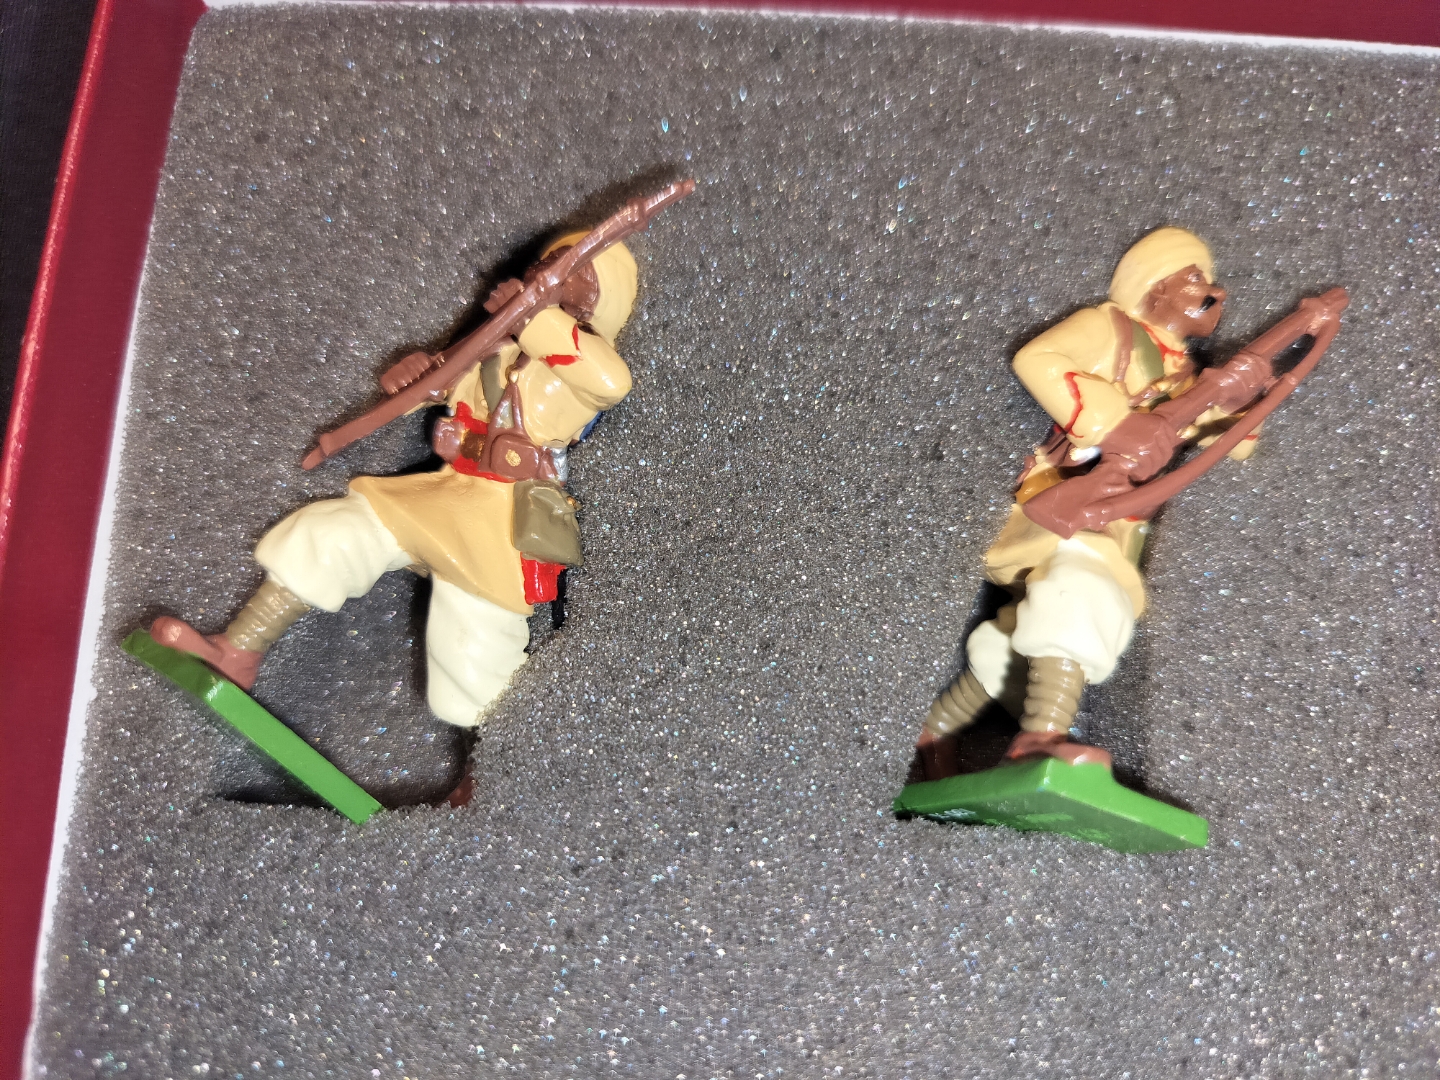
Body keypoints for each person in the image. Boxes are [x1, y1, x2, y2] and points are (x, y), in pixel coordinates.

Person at [152, 233, 636, 740]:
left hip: (499, 520)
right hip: (445, 491)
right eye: (553, 261)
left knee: (473, 655)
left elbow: (612, 383)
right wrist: (416, 380)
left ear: (600, 298)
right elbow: (444, 387)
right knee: (336, 533)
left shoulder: (581, 360)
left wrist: (531, 315)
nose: (552, 271)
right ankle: (238, 649)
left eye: (574, 270)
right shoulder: (499, 342)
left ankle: (498, 761)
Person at [916, 226, 1255, 776]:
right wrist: (1115, 422)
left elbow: (1235, 443)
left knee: (1043, 626)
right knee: (1083, 586)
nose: (1213, 291)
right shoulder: (1109, 329)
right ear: (1157, 286)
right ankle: (1039, 740)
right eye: (1194, 277)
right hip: (1061, 503)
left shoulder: (1189, 378)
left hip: (1115, 522)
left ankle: (937, 733)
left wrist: (1241, 395)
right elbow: (1037, 359)